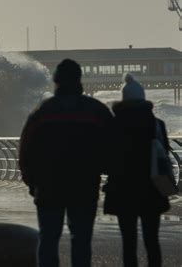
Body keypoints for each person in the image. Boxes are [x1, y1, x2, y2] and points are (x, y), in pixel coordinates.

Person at [19, 59, 112, 267]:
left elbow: (26, 149)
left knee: (49, 239)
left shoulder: (43, 111)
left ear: (56, 80)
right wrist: (104, 171)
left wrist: (31, 181)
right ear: (79, 79)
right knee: (81, 240)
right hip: (85, 185)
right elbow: (113, 147)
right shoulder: (96, 110)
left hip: (48, 186)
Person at [103, 73, 170, 267]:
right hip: (152, 188)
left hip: (123, 190)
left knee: (128, 242)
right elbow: (163, 154)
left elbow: (107, 158)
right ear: (143, 98)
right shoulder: (157, 124)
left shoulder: (114, 125)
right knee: (152, 240)